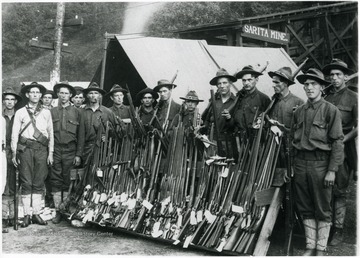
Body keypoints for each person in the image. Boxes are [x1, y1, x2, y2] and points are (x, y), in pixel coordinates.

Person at [292, 68, 344, 256]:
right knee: (305, 206)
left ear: (322, 87)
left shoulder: (331, 111)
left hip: (321, 164)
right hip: (301, 164)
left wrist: (332, 170)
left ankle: (320, 249)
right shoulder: (299, 112)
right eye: (306, 84)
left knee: (322, 207)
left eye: (314, 84)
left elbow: (338, 142)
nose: (309, 87)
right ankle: (310, 246)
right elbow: (294, 140)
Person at [322, 59, 358, 245]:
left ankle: (338, 230)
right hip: (323, 149)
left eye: (338, 75)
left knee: (340, 191)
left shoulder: (354, 97)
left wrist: (344, 139)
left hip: (343, 149)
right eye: (332, 75)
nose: (334, 78)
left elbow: (358, 126)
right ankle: (325, 228)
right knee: (324, 189)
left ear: (345, 76)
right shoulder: (325, 97)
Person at [11, 82, 54, 227]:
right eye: (32, 92)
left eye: (37, 92)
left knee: (38, 182)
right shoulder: (20, 112)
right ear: (27, 95)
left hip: (42, 150)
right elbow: (14, 134)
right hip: (26, 150)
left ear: (41, 95)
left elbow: (51, 134)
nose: (35, 95)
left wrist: (50, 153)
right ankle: (27, 216)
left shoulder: (46, 112)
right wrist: (13, 153)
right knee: (26, 182)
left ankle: (36, 213)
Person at [50, 82, 82, 224]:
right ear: (57, 94)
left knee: (68, 180)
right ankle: (58, 210)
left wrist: (78, 154)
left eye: (66, 93)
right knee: (55, 180)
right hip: (56, 149)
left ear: (71, 96)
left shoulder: (77, 112)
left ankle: (66, 210)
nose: (63, 95)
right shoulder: (51, 112)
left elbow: (81, 135)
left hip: (70, 150)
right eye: (61, 93)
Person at [201, 68, 238, 158]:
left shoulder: (236, 102)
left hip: (228, 144)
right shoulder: (213, 102)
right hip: (212, 142)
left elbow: (237, 126)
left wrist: (229, 119)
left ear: (230, 83)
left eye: (225, 83)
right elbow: (206, 121)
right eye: (219, 83)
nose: (222, 86)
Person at [78, 82, 116, 167]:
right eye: (91, 93)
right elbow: (80, 135)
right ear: (87, 96)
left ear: (100, 96)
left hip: (103, 149)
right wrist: (79, 154)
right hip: (86, 149)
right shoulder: (81, 112)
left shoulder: (107, 112)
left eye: (96, 93)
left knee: (101, 173)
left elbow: (116, 131)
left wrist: (108, 136)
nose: (93, 95)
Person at [227, 65, 270, 137]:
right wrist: (228, 119)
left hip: (254, 141)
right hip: (238, 139)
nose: (246, 83)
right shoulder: (238, 98)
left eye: (250, 80)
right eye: (244, 80)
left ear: (256, 80)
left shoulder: (264, 99)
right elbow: (233, 122)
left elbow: (268, 123)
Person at [2, 87, 22, 232]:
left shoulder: (20, 116)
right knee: (4, 183)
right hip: (3, 152)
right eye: (6, 99)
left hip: (18, 151)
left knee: (16, 183)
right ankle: (4, 216)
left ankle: (15, 216)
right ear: (3, 101)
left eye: (12, 99)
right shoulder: (1, 117)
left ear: (15, 102)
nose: (9, 102)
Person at [267, 67, 304, 131]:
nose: (273, 85)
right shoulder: (273, 100)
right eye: (273, 82)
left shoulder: (298, 103)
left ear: (286, 83)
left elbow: (301, 130)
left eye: (277, 82)